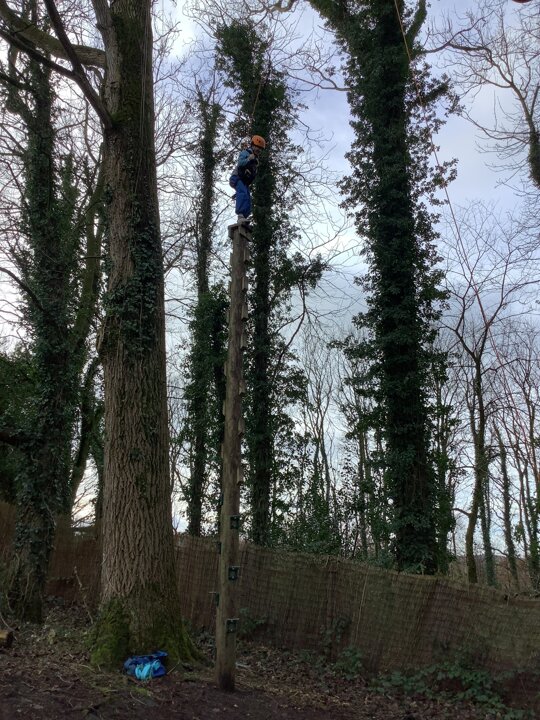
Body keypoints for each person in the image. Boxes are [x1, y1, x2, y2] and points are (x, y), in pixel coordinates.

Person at [229, 135, 266, 224]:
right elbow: (240, 163)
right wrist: (249, 158)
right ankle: (240, 215)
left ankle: (244, 216)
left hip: (245, 181)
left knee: (247, 197)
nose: (258, 150)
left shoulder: (256, 161)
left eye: (260, 149)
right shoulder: (246, 153)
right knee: (242, 193)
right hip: (237, 177)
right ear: (253, 145)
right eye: (257, 148)